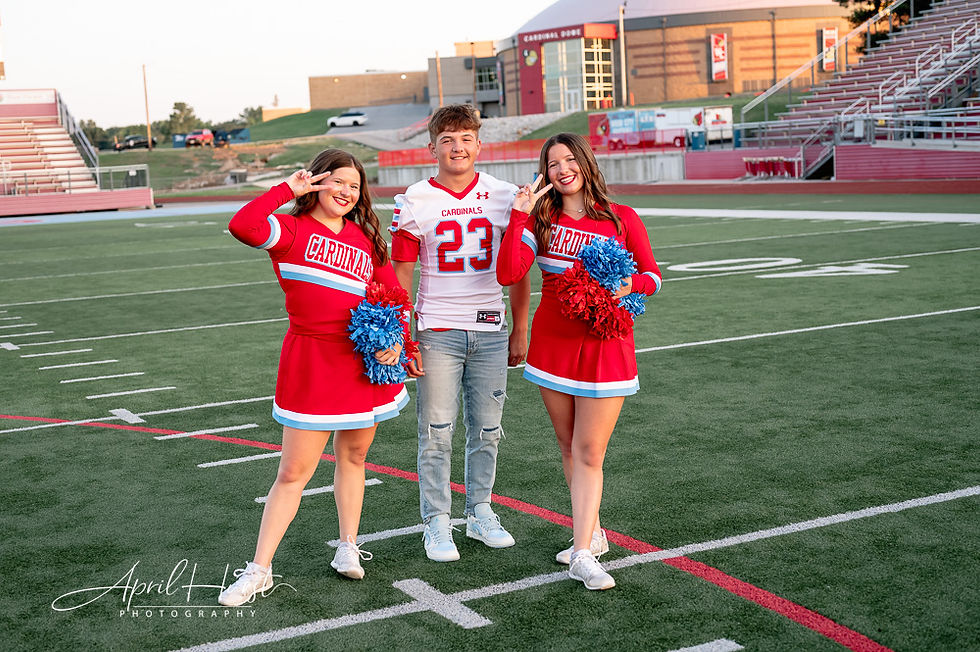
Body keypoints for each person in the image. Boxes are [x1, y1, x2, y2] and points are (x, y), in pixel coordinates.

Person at [218, 149, 410, 606]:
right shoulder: (289, 230)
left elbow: (395, 294)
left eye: (354, 186)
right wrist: (288, 190)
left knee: (355, 457)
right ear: (317, 182)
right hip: (311, 362)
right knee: (292, 472)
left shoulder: (366, 238)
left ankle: (348, 546)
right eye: (337, 182)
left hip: (361, 365)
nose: (345, 192)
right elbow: (242, 225)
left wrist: (398, 341)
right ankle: (259, 568)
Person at [496, 133, 661, 590]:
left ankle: (583, 553)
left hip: (608, 346)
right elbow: (509, 273)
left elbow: (652, 275)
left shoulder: (621, 218)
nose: (562, 169)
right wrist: (519, 214)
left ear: (585, 163)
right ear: (544, 173)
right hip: (553, 347)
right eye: (552, 164)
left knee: (590, 452)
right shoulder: (541, 221)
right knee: (569, 448)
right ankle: (591, 533)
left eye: (570, 160)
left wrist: (630, 288)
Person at [390, 104, 531, 562]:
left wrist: (521, 325)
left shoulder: (505, 194)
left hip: (491, 327)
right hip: (438, 329)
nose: (457, 147)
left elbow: (520, 266)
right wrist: (402, 332)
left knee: (488, 429)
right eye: (447, 139)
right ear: (432, 147)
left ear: (479, 144)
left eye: (466, 138)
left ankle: (480, 511)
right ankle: (435, 521)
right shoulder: (414, 199)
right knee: (436, 430)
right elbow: (402, 270)